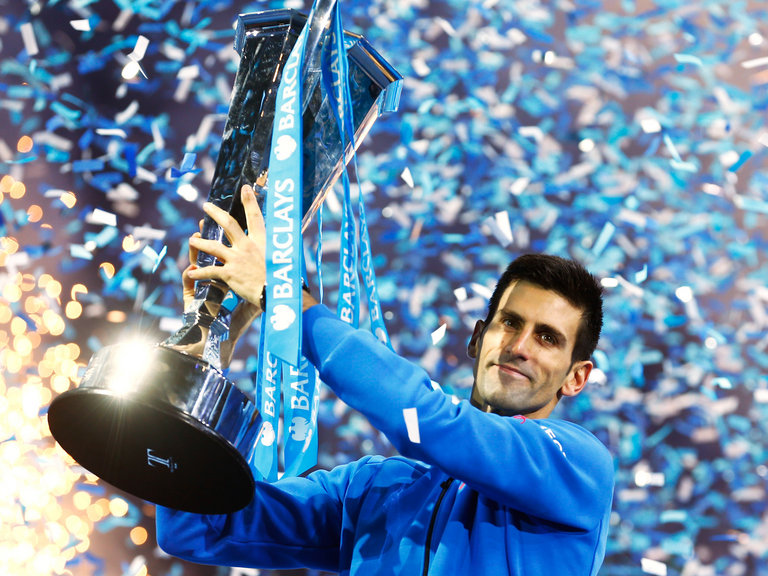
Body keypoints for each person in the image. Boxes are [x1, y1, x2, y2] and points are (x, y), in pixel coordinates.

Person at [155, 185, 615, 575]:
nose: (520, 346)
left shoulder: (578, 467)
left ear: (576, 378)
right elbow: (200, 524)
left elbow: (429, 421)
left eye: (548, 338)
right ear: (478, 337)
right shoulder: (376, 488)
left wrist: (285, 301)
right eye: (509, 323)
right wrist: (204, 353)